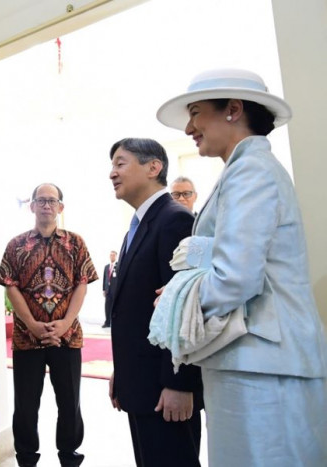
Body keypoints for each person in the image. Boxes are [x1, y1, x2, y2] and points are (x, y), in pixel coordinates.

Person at [155, 68, 327, 466]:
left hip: (263, 364)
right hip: (253, 361)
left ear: (233, 109)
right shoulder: (244, 170)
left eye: (196, 113)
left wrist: (178, 301)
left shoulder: (251, 170)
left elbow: (236, 276)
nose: (189, 127)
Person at [107, 138, 203, 467]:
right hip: (142, 382)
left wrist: (180, 383)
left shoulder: (174, 220)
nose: (112, 173)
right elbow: (133, 310)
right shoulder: (139, 224)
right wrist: (123, 371)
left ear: (153, 167)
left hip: (166, 390)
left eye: (121, 163)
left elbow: (186, 308)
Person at [0, 183, 98, 467]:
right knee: (26, 406)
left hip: (68, 337)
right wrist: (31, 324)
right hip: (27, 338)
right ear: (31, 206)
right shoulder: (16, 245)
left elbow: (82, 284)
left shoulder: (75, 243)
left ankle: (69, 456)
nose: (46, 205)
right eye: (40, 200)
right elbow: (10, 286)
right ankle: (27, 459)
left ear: (60, 207)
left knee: (69, 403)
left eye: (52, 201)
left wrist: (65, 323)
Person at [101, 250, 117, 328]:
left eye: (113, 255)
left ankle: (114, 323)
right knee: (107, 306)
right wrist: (104, 289)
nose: (112, 256)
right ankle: (107, 322)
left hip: (115, 290)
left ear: (116, 256)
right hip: (108, 290)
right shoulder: (107, 267)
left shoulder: (118, 266)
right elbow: (104, 278)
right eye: (111, 255)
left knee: (115, 307)